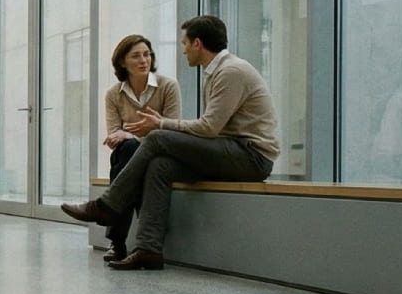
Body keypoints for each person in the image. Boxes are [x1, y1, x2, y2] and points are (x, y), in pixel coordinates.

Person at [61, 15, 278, 270]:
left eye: (185, 43)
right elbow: (209, 129)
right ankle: (148, 249)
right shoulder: (215, 72)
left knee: (156, 137)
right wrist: (159, 126)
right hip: (230, 150)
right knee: (160, 166)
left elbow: (208, 128)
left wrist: (161, 124)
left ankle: (107, 206)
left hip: (251, 157)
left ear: (198, 43)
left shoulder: (231, 71)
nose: (183, 49)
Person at [100, 34, 182, 264]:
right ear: (123, 62)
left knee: (126, 154)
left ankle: (116, 241)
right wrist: (130, 136)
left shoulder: (168, 86)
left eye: (147, 54)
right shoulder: (113, 94)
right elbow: (114, 136)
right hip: (129, 154)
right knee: (126, 150)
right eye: (136, 56)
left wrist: (129, 133)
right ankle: (143, 244)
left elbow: (172, 131)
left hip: (163, 154)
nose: (144, 60)